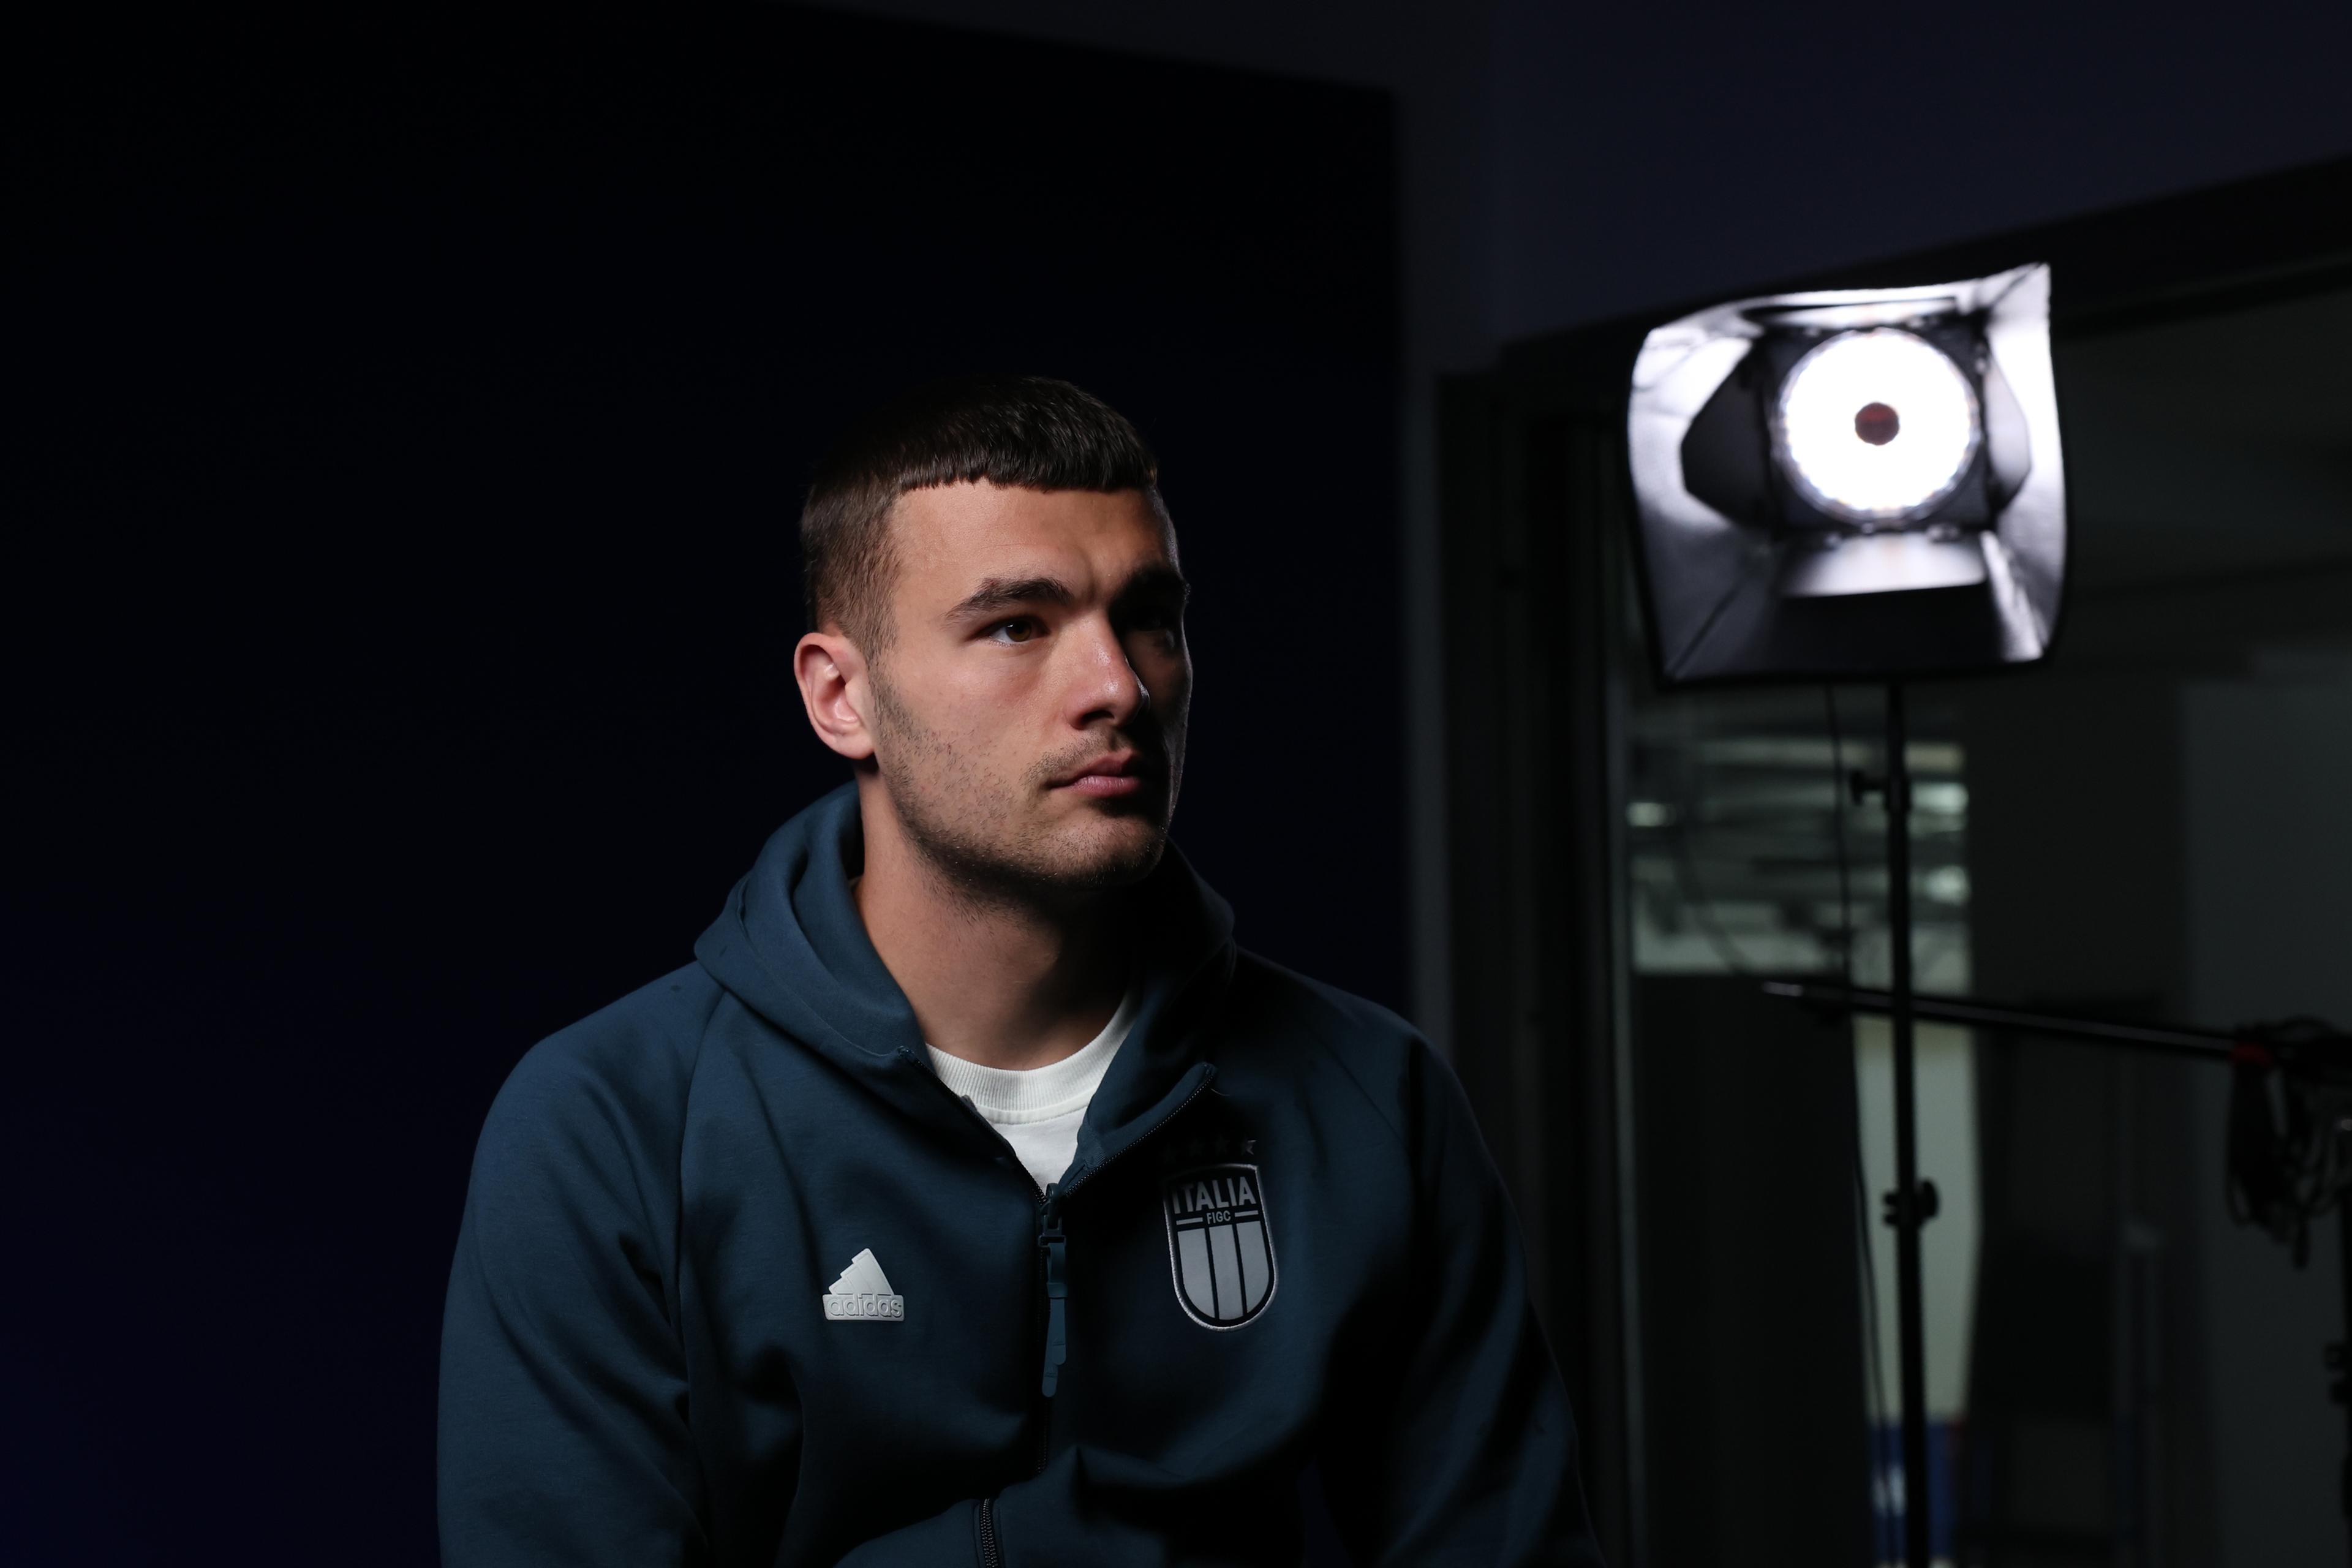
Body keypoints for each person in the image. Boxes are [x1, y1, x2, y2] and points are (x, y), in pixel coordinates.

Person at [437, 375, 1602, 1566]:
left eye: (1149, 615)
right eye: (1017, 625)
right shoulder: (615, 1126)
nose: (1120, 687)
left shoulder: (1367, 1095)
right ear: (844, 697)